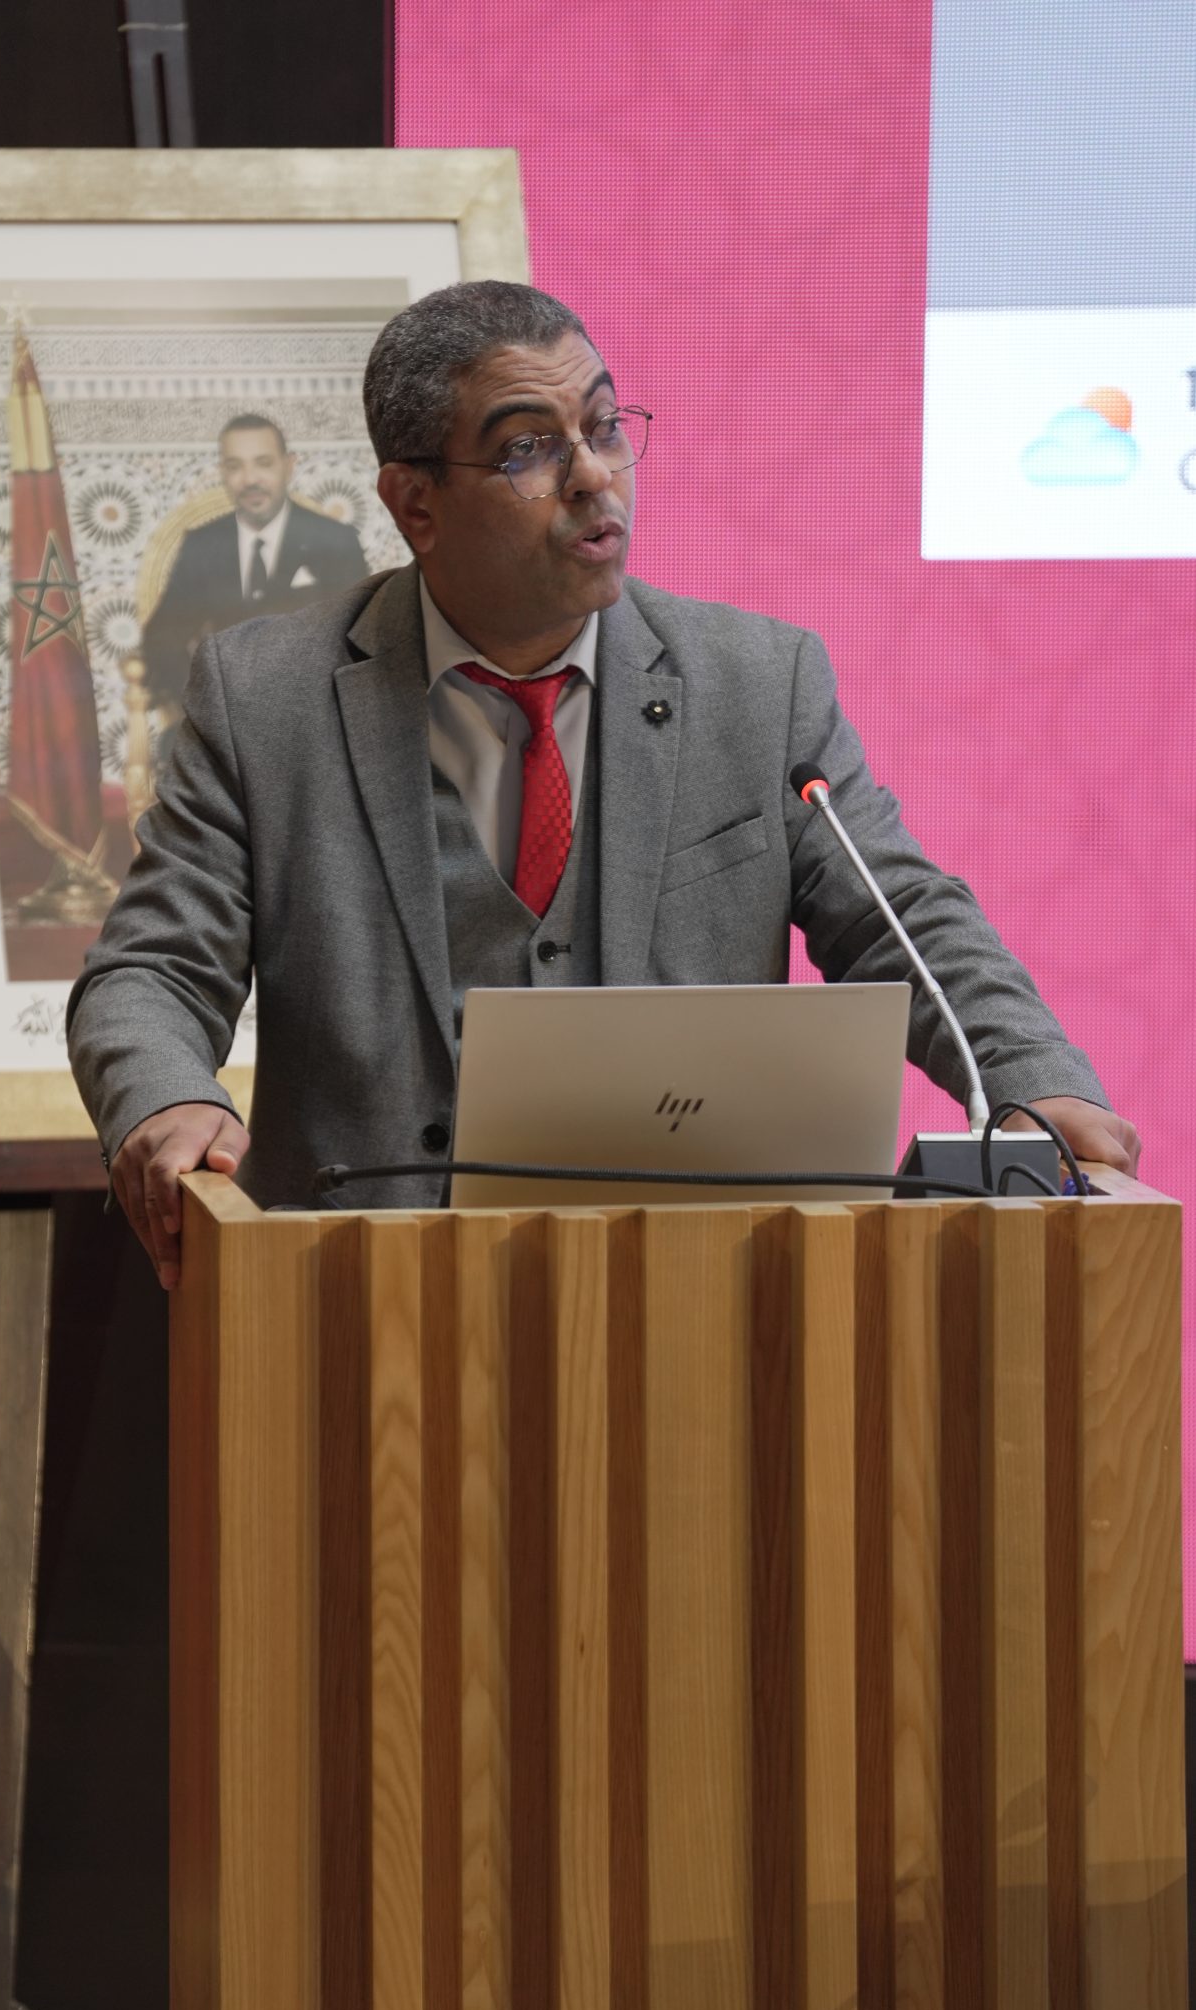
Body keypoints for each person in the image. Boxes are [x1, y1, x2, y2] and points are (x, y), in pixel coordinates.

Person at [69, 281, 1138, 1288]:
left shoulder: (756, 685)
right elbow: (151, 968)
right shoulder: (269, 698)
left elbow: (900, 917)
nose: (594, 476)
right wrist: (167, 1102)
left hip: (699, 1293)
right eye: (528, 448)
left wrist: (1032, 1076)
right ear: (416, 505)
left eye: (605, 426)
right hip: (360, 1303)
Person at [138, 411, 370, 706]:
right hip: (226, 712)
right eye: (235, 466)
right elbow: (161, 637)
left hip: (311, 709)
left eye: (263, 463)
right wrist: (202, 699)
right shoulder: (203, 545)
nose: (249, 480)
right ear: (222, 472)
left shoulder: (334, 541)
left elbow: (358, 637)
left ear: (288, 466)